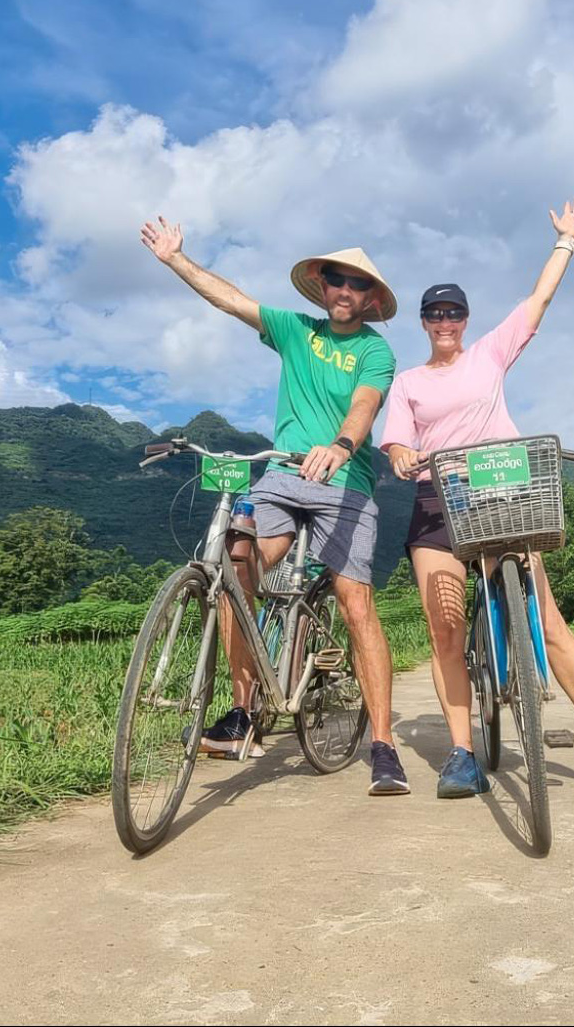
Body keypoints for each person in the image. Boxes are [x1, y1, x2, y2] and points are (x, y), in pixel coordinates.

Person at [138, 217, 412, 796]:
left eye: (356, 285)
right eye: (336, 279)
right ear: (323, 285)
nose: (344, 291)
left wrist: (341, 445)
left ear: (370, 298)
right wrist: (175, 260)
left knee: (356, 603)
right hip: (283, 475)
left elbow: (365, 404)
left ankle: (384, 745)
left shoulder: (374, 350)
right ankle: (243, 714)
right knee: (238, 571)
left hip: (346, 483)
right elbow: (231, 300)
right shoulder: (296, 331)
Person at [380, 196, 574, 804]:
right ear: (422, 323)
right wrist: (399, 455)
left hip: (502, 492)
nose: (445, 321)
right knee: (444, 629)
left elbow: (538, 301)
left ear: (466, 320)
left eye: (454, 313)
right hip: (436, 501)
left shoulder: (491, 353)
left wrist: (566, 241)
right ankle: (463, 754)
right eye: (434, 314)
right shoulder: (410, 382)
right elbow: (394, 439)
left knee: (546, 622)